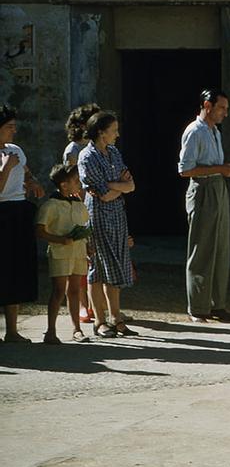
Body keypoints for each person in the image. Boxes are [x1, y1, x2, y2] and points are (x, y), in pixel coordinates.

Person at [178, 90, 230, 323]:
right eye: (221, 108)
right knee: (201, 248)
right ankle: (197, 306)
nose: (225, 113)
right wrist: (220, 170)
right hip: (203, 190)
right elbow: (185, 169)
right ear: (207, 105)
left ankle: (217, 303)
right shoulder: (194, 131)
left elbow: (215, 165)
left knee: (220, 248)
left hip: (218, 188)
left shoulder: (215, 131)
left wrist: (227, 169)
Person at [78, 111, 137, 338]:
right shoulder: (87, 157)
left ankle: (116, 317)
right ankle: (100, 321)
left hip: (117, 214)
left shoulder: (113, 152)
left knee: (117, 264)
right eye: (113, 130)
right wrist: (118, 187)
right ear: (101, 132)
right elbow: (101, 194)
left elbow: (130, 184)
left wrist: (116, 186)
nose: (117, 134)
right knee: (99, 267)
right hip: (98, 216)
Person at [0, 105, 45, 343]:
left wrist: (33, 181)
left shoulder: (15, 149)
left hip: (17, 211)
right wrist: (6, 167)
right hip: (1, 210)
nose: (13, 132)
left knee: (15, 269)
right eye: (8, 127)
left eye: (14, 127)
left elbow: (26, 172)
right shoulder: (6, 157)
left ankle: (12, 330)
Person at [36, 163, 91, 344]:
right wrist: (61, 240)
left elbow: (84, 227)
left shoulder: (79, 204)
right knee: (59, 291)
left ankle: (77, 329)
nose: (79, 184)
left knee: (75, 290)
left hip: (78, 253)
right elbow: (39, 231)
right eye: (76, 181)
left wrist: (88, 246)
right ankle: (50, 331)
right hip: (60, 253)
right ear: (64, 185)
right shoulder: (51, 205)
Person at [62, 103, 100, 324]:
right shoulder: (73, 149)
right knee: (80, 259)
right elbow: (71, 182)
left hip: (95, 205)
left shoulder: (98, 147)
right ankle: (83, 307)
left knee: (95, 258)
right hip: (80, 205)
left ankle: (98, 306)